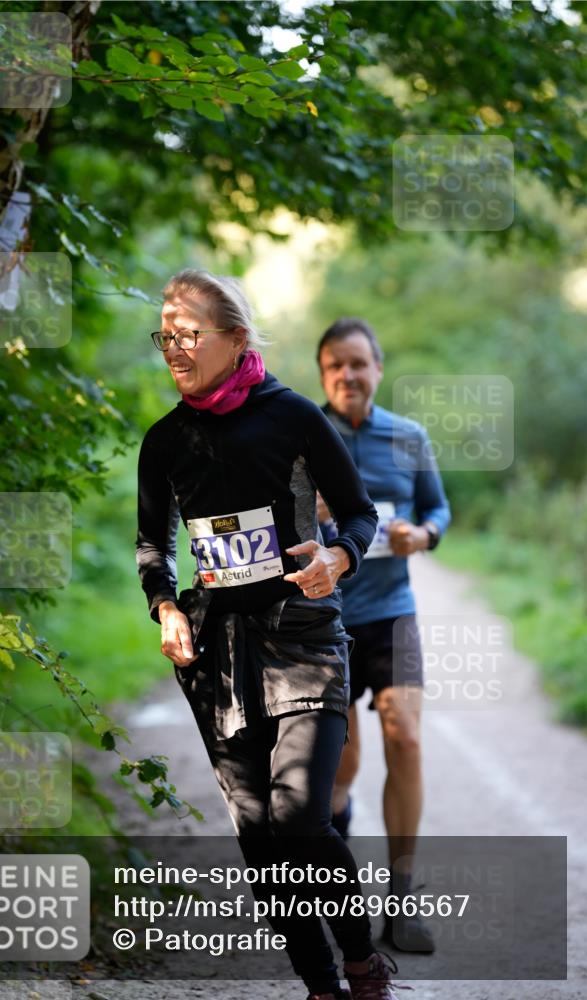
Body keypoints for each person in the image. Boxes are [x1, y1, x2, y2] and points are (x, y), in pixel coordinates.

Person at [136, 271, 407, 1000]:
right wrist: (163, 605)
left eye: (188, 332)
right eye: (166, 334)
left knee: (299, 818)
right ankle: (318, 983)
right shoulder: (165, 441)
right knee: (259, 838)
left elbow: (356, 514)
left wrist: (337, 557)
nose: (174, 346)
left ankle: (359, 959)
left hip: (304, 641)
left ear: (234, 337)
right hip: (216, 656)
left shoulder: (291, 416)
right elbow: (152, 546)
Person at [317, 317, 451, 954]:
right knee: (340, 762)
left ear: (377, 367)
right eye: (335, 365)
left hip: (392, 612)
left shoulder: (409, 437)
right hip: (324, 618)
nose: (348, 375)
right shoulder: (301, 437)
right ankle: (337, 887)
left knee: (407, 735)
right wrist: (306, 513)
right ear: (323, 374)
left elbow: (438, 508)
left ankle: (402, 898)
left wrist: (422, 537)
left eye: (358, 363)